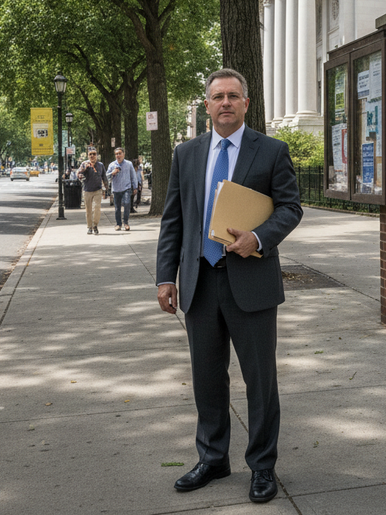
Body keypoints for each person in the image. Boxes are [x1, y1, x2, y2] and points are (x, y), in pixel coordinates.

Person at [156, 69, 302, 504]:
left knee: (260, 381)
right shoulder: (186, 153)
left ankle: (262, 466)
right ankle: (213, 458)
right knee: (206, 378)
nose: (225, 103)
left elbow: (290, 208)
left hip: (251, 280)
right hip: (199, 281)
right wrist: (166, 276)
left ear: (246, 103)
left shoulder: (272, 151)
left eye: (233, 96)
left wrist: (257, 238)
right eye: (217, 97)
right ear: (207, 105)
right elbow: (174, 221)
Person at [107, 147, 137, 231]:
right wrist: (112, 173)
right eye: (116, 154)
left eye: (120, 153)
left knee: (127, 204)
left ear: (123, 154)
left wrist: (135, 187)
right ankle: (118, 224)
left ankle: (126, 222)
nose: (118, 155)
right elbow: (107, 176)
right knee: (117, 208)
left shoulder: (129, 164)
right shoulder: (112, 165)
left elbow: (133, 176)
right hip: (116, 189)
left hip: (126, 188)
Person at [78, 150, 107, 235]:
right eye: (90, 154)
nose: (92, 156)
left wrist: (107, 188)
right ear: (88, 156)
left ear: (97, 155)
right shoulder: (84, 164)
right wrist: (83, 170)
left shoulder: (100, 165)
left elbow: (104, 177)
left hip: (97, 190)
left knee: (97, 208)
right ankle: (89, 227)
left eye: (94, 154)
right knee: (88, 210)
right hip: (87, 190)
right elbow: (78, 173)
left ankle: (95, 225)